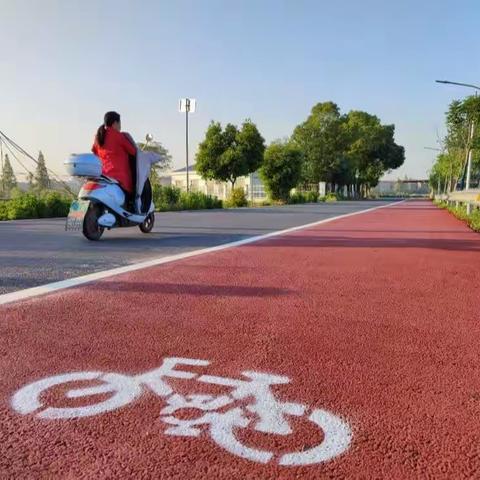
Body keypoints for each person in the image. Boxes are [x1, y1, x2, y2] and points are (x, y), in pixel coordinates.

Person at [92, 111, 137, 197]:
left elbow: (94, 152)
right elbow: (133, 151)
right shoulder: (118, 136)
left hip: (103, 177)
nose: (120, 127)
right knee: (131, 197)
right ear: (115, 123)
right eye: (120, 123)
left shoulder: (98, 137)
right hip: (120, 179)